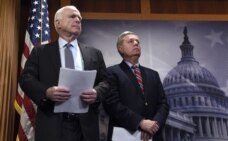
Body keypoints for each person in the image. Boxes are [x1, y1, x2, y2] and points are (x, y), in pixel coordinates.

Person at [19, 5, 109, 141]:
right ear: (58, 23)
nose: (78, 20)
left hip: (85, 127)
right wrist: (46, 92)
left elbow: (106, 82)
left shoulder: (94, 53)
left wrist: (96, 93)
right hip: (52, 124)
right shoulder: (40, 52)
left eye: (79, 18)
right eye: (72, 16)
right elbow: (26, 79)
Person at [103, 31, 170, 141]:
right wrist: (140, 122)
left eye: (137, 42)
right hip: (125, 134)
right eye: (130, 41)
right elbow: (112, 104)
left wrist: (154, 125)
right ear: (120, 48)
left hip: (154, 135)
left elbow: (163, 104)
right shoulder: (111, 73)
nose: (136, 43)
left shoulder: (153, 74)